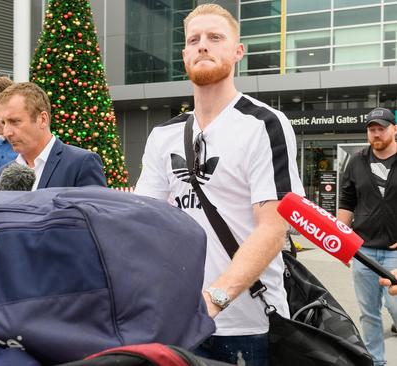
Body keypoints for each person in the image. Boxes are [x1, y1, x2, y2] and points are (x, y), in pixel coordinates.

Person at [134, 4, 304, 365]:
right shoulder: (162, 134)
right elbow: (145, 224)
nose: (203, 46)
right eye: (193, 39)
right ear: (184, 55)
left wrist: (214, 300)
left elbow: (273, 228)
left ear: (237, 51)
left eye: (215, 38)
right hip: (176, 320)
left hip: (247, 322)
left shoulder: (263, 124)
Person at [337, 106, 397, 366]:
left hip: (395, 253)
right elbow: (347, 202)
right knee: (368, 314)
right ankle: (376, 362)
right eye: (372, 129)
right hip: (364, 251)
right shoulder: (358, 160)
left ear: (394, 129)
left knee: (395, 306)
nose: (376, 134)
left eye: (381, 128)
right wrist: (340, 241)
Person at [0, 82, 107, 189]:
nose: (6, 133)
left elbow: (94, 208)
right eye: (3, 123)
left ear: (43, 119)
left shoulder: (81, 164)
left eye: (15, 121)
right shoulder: (4, 172)